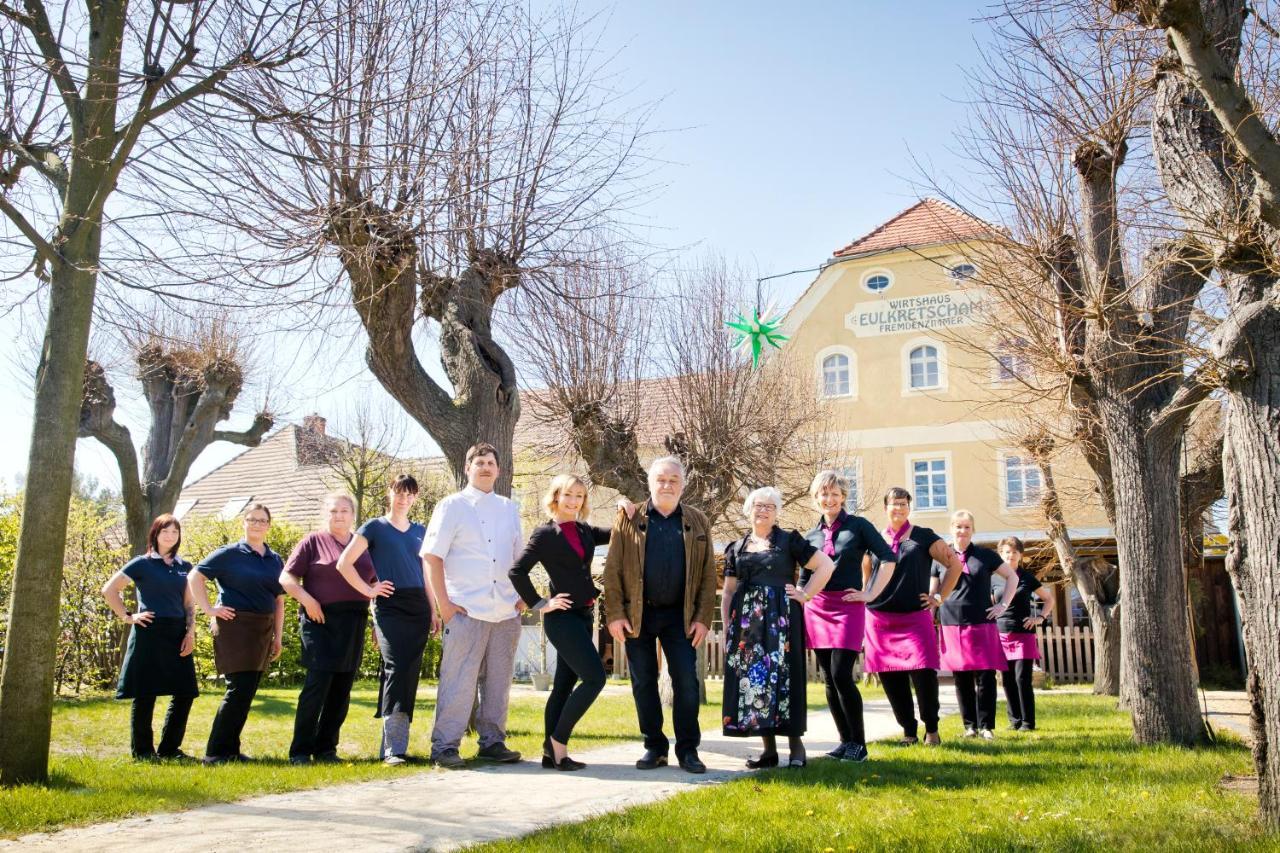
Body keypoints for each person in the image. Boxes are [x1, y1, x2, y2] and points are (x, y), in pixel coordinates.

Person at [604, 456, 718, 774]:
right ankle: (654, 747)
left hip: (681, 617)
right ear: (650, 483)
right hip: (638, 614)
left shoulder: (698, 520)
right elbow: (611, 569)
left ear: (683, 485)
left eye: (673, 480)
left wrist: (702, 618)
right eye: (661, 480)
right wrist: (614, 613)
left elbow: (709, 575)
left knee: (686, 680)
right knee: (643, 682)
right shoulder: (628, 518)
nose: (666, 485)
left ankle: (688, 750)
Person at [423, 443, 525, 769]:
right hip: (465, 609)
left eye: (491, 462)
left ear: (499, 469)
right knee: (458, 680)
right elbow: (432, 556)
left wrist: (524, 595)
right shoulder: (451, 506)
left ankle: (493, 743)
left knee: (498, 682)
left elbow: (519, 557)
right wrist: (445, 605)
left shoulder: (510, 508)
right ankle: (444, 747)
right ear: (467, 468)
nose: (485, 467)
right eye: (479, 462)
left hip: (506, 611)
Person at [722, 487, 836, 769]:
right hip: (747, 626)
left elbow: (825, 565)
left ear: (776, 513)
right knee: (757, 682)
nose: (763, 510)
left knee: (786, 677)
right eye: (758, 505)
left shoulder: (789, 541)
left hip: (781, 621)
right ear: (748, 510)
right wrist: (727, 625)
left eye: (769, 506)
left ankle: (796, 747)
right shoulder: (737, 547)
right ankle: (768, 751)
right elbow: (728, 592)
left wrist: (805, 594)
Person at [509, 474, 611, 771]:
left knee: (564, 686)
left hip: (583, 616)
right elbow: (517, 572)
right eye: (568, 495)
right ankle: (558, 743)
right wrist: (542, 603)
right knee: (595, 679)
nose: (574, 501)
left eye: (579, 496)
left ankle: (548, 752)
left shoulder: (584, 530)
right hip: (561, 619)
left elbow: (618, 531)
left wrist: (627, 507)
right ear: (556, 497)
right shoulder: (545, 534)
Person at [802, 470, 898, 763]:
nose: (828, 499)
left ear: (843, 496)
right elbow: (806, 575)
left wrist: (870, 593)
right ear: (816, 498)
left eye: (834, 494)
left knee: (843, 673)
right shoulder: (811, 535)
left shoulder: (858, 526)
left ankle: (860, 744)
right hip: (816, 608)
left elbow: (888, 558)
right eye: (823, 494)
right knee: (829, 678)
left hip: (848, 606)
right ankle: (844, 742)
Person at [280, 492, 380, 764]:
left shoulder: (362, 545)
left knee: (342, 687)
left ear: (353, 515)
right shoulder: (313, 541)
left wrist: (375, 621)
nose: (339, 516)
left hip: (355, 620)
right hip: (320, 619)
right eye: (334, 511)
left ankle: (326, 749)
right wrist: (307, 600)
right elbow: (286, 577)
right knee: (317, 684)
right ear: (326, 514)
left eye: (344, 511)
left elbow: (372, 585)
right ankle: (300, 750)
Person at [337, 475, 428, 765]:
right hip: (390, 605)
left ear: (415, 498)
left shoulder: (421, 531)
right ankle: (393, 750)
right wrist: (369, 590)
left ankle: (393, 746)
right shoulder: (374, 527)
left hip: (419, 607)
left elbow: (427, 574)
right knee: (396, 666)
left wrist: (435, 610)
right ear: (390, 494)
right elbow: (344, 564)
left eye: (409, 494)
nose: (404, 499)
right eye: (399, 493)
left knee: (409, 672)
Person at [863, 487, 963, 746]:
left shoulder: (923, 537)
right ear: (885, 507)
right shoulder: (873, 539)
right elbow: (866, 579)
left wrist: (938, 597)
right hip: (879, 619)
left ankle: (932, 729)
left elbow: (955, 565)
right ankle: (908, 730)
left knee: (924, 675)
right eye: (894, 503)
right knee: (891, 677)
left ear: (909, 507)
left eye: (903, 503)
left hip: (914, 618)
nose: (898, 507)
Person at [188, 503, 285, 764]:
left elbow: (279, 600)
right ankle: (214, 753)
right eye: (252, 519)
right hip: (235, 627)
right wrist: (209, 609)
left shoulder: (274, 559)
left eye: (262, 520)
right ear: (243, 523)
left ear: (268, 525)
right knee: (237, 690)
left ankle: (230, 750)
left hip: (263, 628)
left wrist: (278, 636)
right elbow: (195, 577)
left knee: (247, 692)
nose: (256, 524)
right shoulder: (229, 554)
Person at [101, 514, 199, 760]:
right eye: (165, 531)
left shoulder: (184, 567)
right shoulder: (141, 563)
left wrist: (190, 632)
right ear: (155, 534)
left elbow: (189, 603)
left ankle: (169, 749)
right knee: (146, 693)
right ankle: (143, 752)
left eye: (175, 532)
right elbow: (109, 590)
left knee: (186, 691)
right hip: (149, 632)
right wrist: (128, 616)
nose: (170, 536)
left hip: (177, 632)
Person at [931, 510, 1018, 740]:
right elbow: (933, 592)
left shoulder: (985, 555)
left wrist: (1003, 605)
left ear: (973, 530)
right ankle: (969, 726)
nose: (962, 531)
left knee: (986, 676)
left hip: (983, 622)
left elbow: (1013, 578)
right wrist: (930, 614)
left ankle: (986, 726)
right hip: (951, 624)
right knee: (962, 678)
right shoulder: (940, 557)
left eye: (967, 527)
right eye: (958, 526)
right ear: (951, 528)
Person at [996, 535, 1055, 731]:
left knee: (1022, 679)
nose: (1010, 556)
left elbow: (1049, 599)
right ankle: (1014, 722)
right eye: (1007, 552)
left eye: (1014, 552)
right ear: (1000, 554)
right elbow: (991, 605)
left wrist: (1040, 617)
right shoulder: (994, 579)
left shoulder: (1027, 578)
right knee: (1007, 680)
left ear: (1020, 555)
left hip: (1023, 635)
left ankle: (1028, 723)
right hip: (1001, 635)